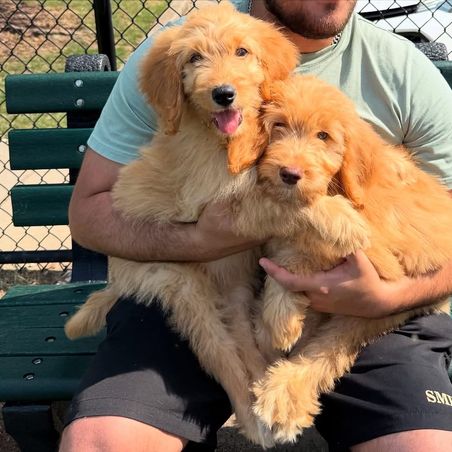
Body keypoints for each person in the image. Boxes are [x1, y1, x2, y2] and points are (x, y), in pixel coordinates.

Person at [59, 1, 452, 451]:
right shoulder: (174, 51)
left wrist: (387, 297)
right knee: (101, 442)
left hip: (363, 311)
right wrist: (197, 241)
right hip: (203, 283)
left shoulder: (402, 70)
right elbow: (88, 214)